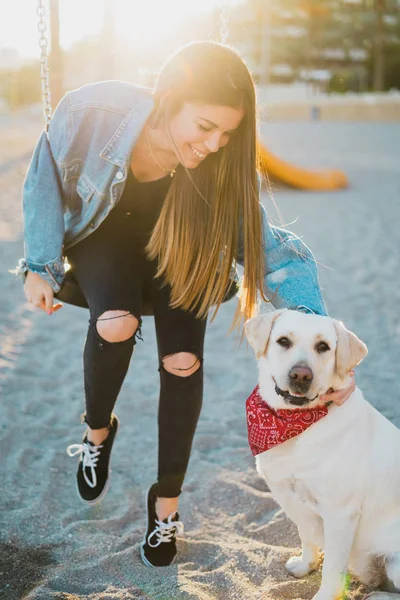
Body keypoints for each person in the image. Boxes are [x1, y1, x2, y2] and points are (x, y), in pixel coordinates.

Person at [14, 41, 355, 567]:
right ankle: (97, 432)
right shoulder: (92, 112)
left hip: (182, 245)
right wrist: (39, 265)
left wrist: (315, 337)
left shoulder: (220, 168)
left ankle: (166, 506)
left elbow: (274, 253)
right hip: (106, 235)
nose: (215, 144)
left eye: (227, 134)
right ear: (167, 99)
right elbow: (46, 178)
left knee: (183, 361)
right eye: (204, 128)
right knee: (116, 325)